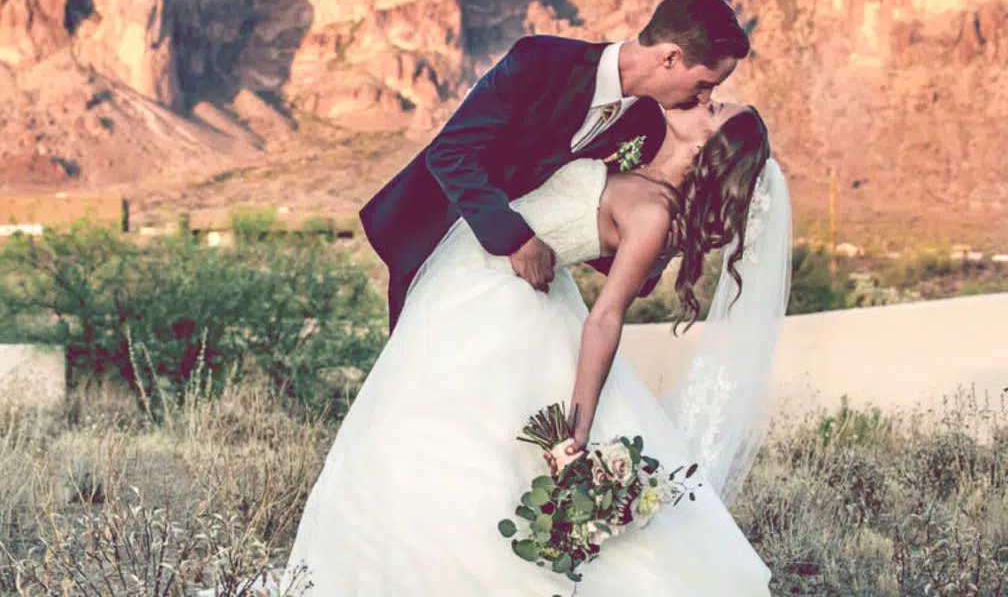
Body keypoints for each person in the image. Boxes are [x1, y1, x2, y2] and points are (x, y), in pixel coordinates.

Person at [280, 95, 792, 594]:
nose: (706, 101)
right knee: (415, 430)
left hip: (504, 301)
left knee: (433, 435)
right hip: (476, 276)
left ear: (709, 147)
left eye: (716, 110)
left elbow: (607, 318)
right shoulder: (637, 155)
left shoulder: (655, 213)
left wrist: (578, 432)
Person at [359, 0, 751, 332]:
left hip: (522, 292)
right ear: (670, 57)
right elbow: (450, 152)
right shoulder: (541, 60)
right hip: (437, 239)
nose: (704, 99)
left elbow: (596, 225)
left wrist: (660, 244)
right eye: (704, 84)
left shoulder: (647, 127)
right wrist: (516, 238)